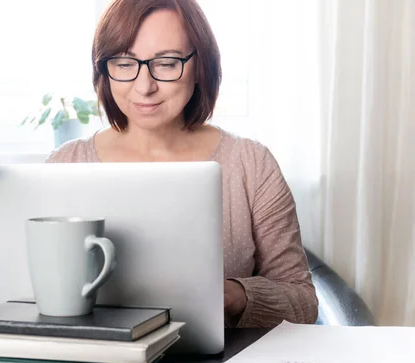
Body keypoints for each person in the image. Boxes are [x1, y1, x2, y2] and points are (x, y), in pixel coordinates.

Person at [45, 0, 318, 328]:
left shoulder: (250, 164)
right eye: (124, 62)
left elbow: (302, 301)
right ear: (104, 68)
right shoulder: (64, 165)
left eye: (167, 63)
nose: (144, 87)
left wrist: (237, 295)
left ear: (200, 66)